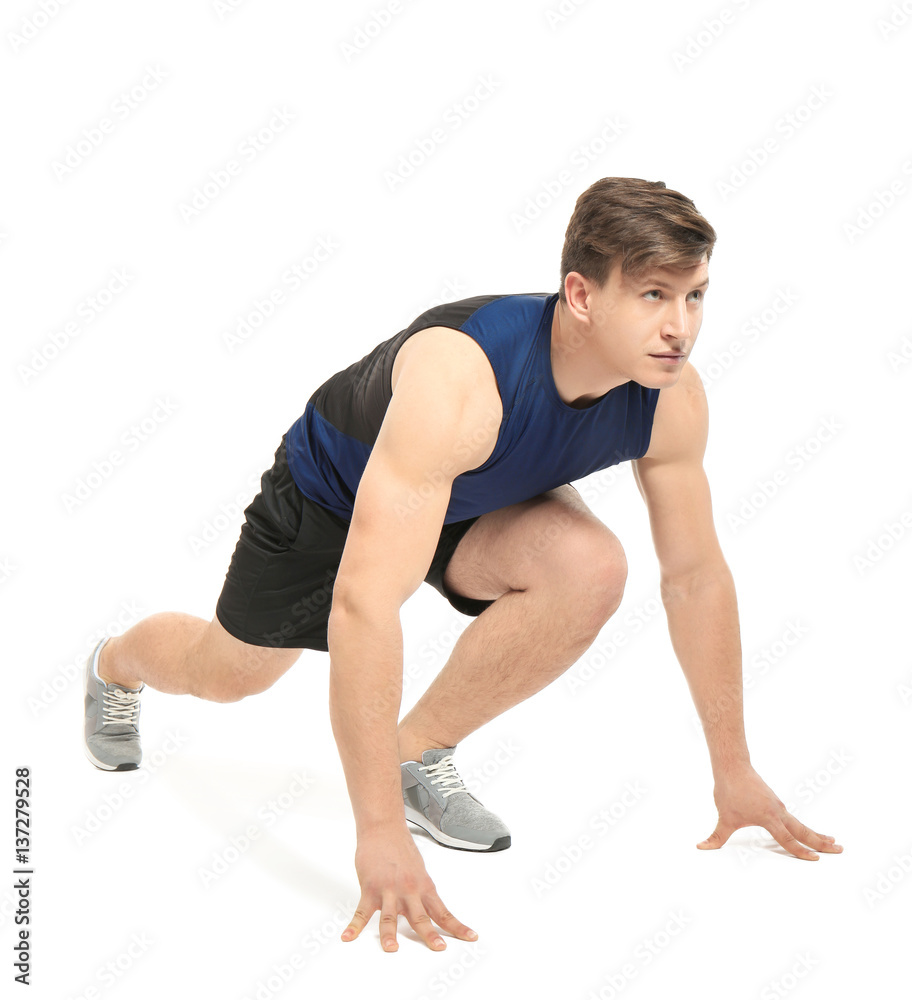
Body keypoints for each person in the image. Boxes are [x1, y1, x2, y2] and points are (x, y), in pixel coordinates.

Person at [82, 176, 843, 954]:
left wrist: (734, 768)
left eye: (695, 296)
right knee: (229, 674)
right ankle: (114, 665)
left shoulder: (670, 399)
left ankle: (418, 753)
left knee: (589, 567)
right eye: (654, 295)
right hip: (332, 497)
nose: (680, 326)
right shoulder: (461, 379)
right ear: (582, 295)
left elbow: (696, 578)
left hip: (478, 497)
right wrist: (378, 835)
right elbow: (364, 605)